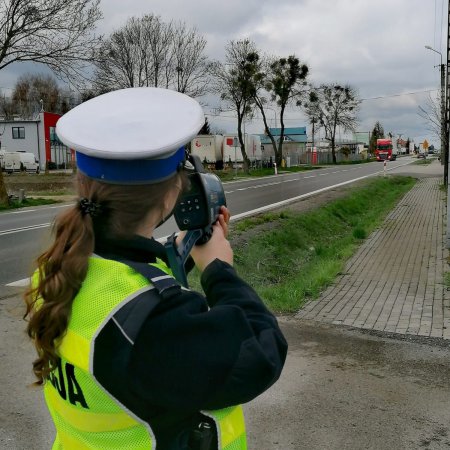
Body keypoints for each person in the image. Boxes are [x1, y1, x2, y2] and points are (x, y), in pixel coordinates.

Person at [24, 87, 288, 450]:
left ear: (83, 182)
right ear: (170, 196)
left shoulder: (58, 270)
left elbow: (124, 295)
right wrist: (218, 269)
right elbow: (262, 354)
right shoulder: (156, 323)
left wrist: (171, 255)